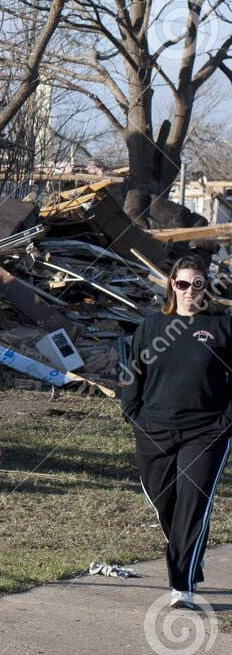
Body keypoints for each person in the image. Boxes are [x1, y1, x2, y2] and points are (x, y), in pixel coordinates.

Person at [119, 254, 232, 608]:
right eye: (182, 284)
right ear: (172, 285)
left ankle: (181, 585)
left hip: (207, 432)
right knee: (164, 502)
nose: (188, 291)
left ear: (205, 288)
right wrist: (131, 410)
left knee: (192, 504)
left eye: (196, 284)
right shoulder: (153, 326)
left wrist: (226, 421)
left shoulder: (221, 326)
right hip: (154, 429)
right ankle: (189, 558)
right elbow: (131, 368)